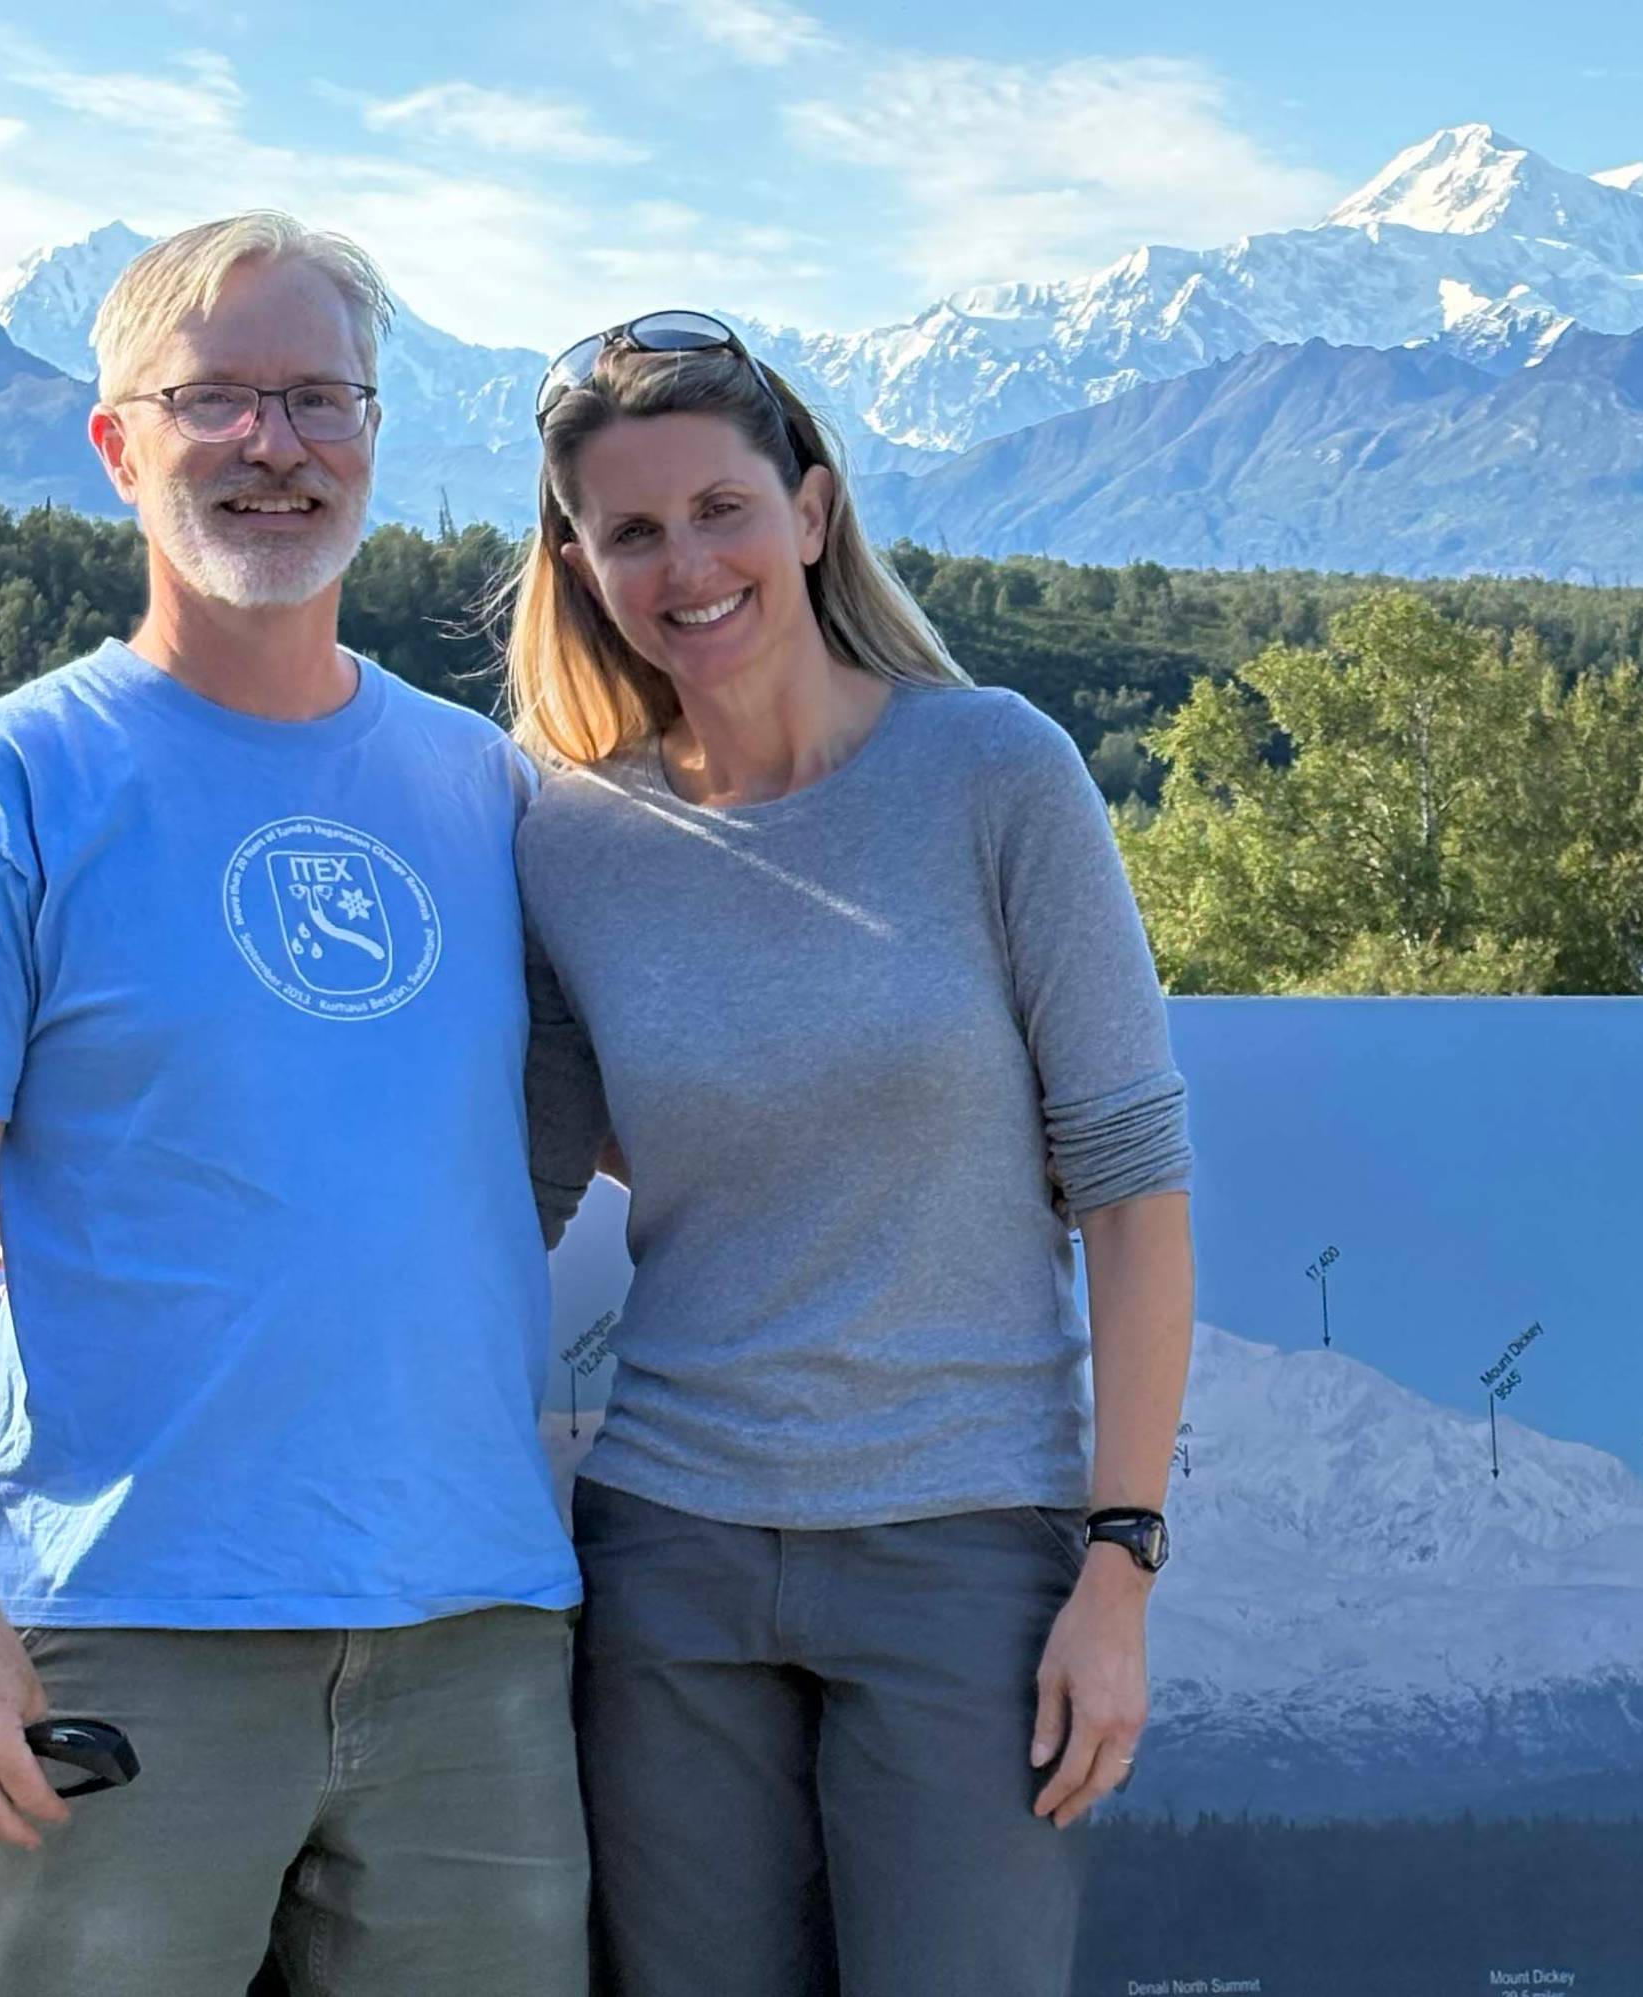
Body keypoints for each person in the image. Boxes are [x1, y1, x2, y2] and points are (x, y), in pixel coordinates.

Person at [0, 214, 588, 1995]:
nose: (275, 445)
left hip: (476, 1634)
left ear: (376, 431)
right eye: (216, 399)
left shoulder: (488, 792)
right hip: (123, 1636)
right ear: (117, 444)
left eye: (319, 397)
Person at [512, 312, 1195, 1996]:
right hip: (666, 1553)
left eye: (723, 507)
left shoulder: (997, 774)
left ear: (811, 512)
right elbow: (488, 1199)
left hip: (969, 1550)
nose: (688, 565)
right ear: (583, 564)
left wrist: (1121, 1562)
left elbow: (1131, 1193)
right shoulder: (570, 839)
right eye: (635, 531)